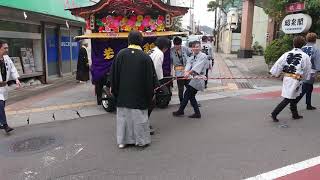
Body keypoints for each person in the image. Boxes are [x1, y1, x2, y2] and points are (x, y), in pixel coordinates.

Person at [111, 31, 156, 149]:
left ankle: (122, 141)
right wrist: (150, 94)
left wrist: (115, 91)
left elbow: (114, 75)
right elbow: (150, 79)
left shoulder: (121, 54)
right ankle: (141, 141)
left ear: (128, 40)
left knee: (123, 118)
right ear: (141, 41)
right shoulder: (145, 57)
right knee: (139, 118)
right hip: (139, 95)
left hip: (123, 94)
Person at [270, 36, 312, 122]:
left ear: (293, 44)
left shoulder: (286, 54)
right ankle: (274, 113)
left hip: (287, 78)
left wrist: (275, 73)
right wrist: (305, 78)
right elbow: (307, 69)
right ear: (303, 45)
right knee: (289, 97)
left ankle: (295, 114)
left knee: (293, 96)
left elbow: (279, 64)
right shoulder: (305, 56)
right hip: (296, 80)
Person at [172, 41, 209, 119]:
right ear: (192, 48)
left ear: (200, 47)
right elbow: (188, 64)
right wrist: (186, 72)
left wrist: (188, 73)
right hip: (194, 79)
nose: (196, 48)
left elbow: (197, 67)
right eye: (195, 47)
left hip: (199, 79)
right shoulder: (192, 56)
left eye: (198, 46)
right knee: (191, 96)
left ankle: (181, 111)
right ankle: (196, 113)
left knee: (187, 94)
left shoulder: (203, 56)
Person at [0, 40, 21, 133]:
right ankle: (5, 125)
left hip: (4, 87)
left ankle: (1, 123)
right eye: (5, 48)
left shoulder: (6, 58)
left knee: (2, 106)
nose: (7, 50)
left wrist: (16, 79)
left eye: (7, 47)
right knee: (0, 105)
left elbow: (12, 68)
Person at [295, 32, 320, 110]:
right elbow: (317, 61)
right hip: (311, 71)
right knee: (305, 88)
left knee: (309, 88)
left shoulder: (302, 48)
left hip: (301, 70)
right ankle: (294, 103)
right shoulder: (316, 49)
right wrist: (318, 71)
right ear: (315, 39)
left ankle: (308, 104)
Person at [170, 37, 192, 103]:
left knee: (190, 87)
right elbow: (171, 63)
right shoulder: (171, 50)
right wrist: (172, 73)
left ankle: (192, 101)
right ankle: (181, 101)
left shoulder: (185, 48)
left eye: (178, 45)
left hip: (186, 71)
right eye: (175, 45)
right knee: (180, 88)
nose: (177, 46)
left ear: (181, 44)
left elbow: (191, 56)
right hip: (178, 72)